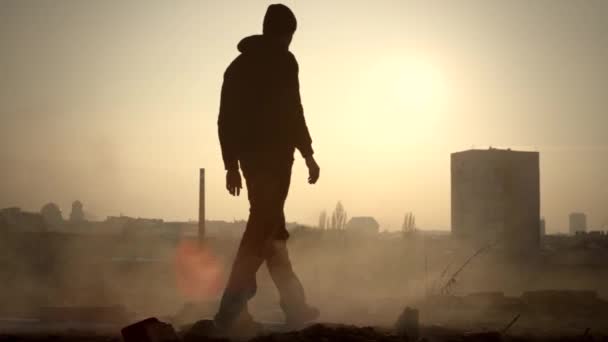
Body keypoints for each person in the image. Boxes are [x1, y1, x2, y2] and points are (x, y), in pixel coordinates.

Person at [215, 3, 320, 333]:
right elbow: (227, 119)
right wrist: (230, 165)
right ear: (277, 32)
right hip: (260, 162)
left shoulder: (282, 63)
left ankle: (293, 306)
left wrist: (307, 153)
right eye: (286, 35)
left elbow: (294, 109)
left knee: (271, 232)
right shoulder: (242, 68)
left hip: (277, 160)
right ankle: (230, 308)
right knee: (262, 229)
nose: (288, 42)